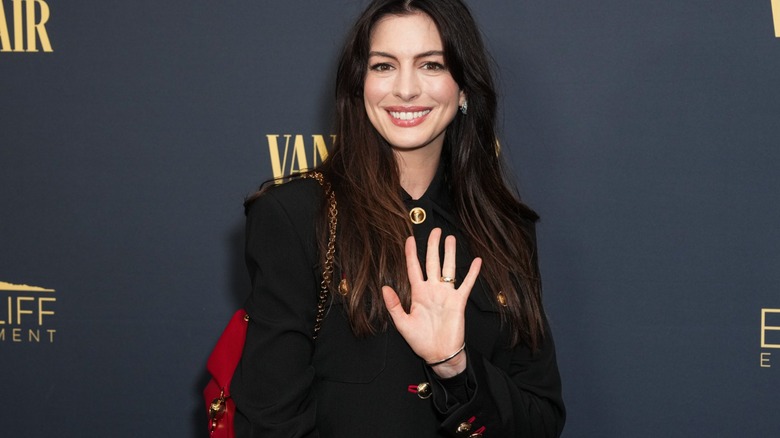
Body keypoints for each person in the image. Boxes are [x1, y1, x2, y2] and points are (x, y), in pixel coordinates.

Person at [230, 0, 565, 436]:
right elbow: (270, 422)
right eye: (384, 66)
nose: (405, 89)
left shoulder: (504, 228)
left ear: (463, 88)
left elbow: (540, 422)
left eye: (431, 65)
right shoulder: (295, 216)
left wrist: (456, 365)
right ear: (359, 85)